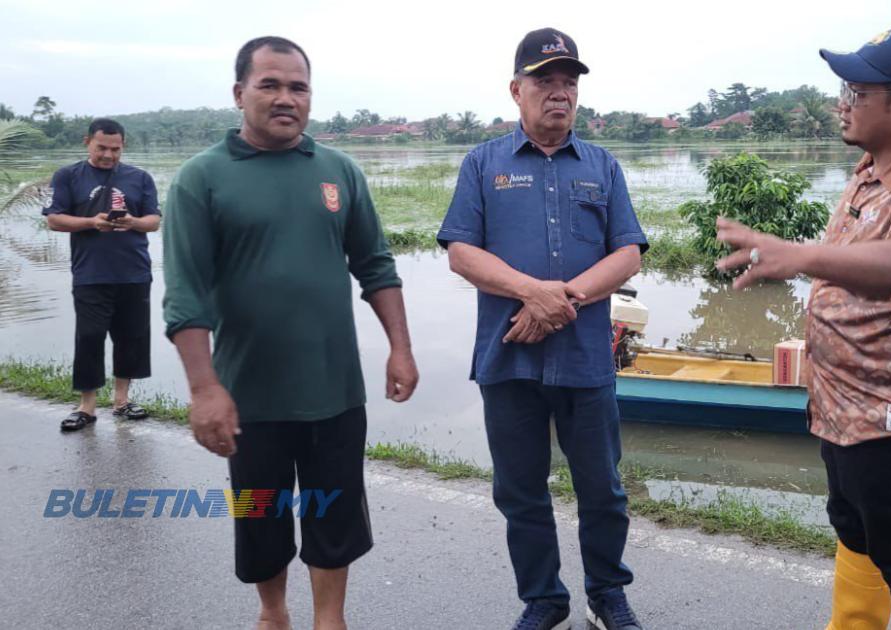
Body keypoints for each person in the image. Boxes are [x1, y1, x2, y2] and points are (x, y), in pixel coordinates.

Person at [714, 28, 891, 630]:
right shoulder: (870, 171)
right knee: (856, 534)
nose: (842, 103)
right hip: (843, 408)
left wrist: (802, 255)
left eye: (857, 91)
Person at [162, 36, 418, 630]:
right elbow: (185, 297)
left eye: (298, 87)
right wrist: (205, 390)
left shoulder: (339, 171)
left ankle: (331, 620)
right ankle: (273, 615)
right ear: (239, 93)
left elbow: (376, 265)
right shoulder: (202, 179)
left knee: (336, 518)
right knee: (261, 519)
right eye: (270, 85)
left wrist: (400, 349)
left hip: (334, 390)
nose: (286, 98)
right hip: (249, 396)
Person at [437, 27, 647, 630]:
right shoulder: (483, 164)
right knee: (521, 491)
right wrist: (530, 291)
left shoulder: (602, 166)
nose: (560, 93)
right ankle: (544, 598)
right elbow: (460, 253)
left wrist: (564, 298)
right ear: (516, 90)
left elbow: (628, 253)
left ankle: (606, 593)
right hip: (509, 360)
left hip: (584, 358)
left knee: (603, 489)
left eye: (569, 83)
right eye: (545, 81)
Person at [43, 118, 160, 431]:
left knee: (131, 338)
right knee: (90, 337)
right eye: (102, 148)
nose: (109, 155)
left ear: (123, 146)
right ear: (87, 142)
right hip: (90, 273)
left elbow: (153, 221)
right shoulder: (68, 175)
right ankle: (87, 406)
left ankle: (122, 401)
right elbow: (53, 220)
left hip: (134, 272)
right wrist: (91, 223)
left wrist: (132, 222)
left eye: (116, 149)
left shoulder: (140, 177)